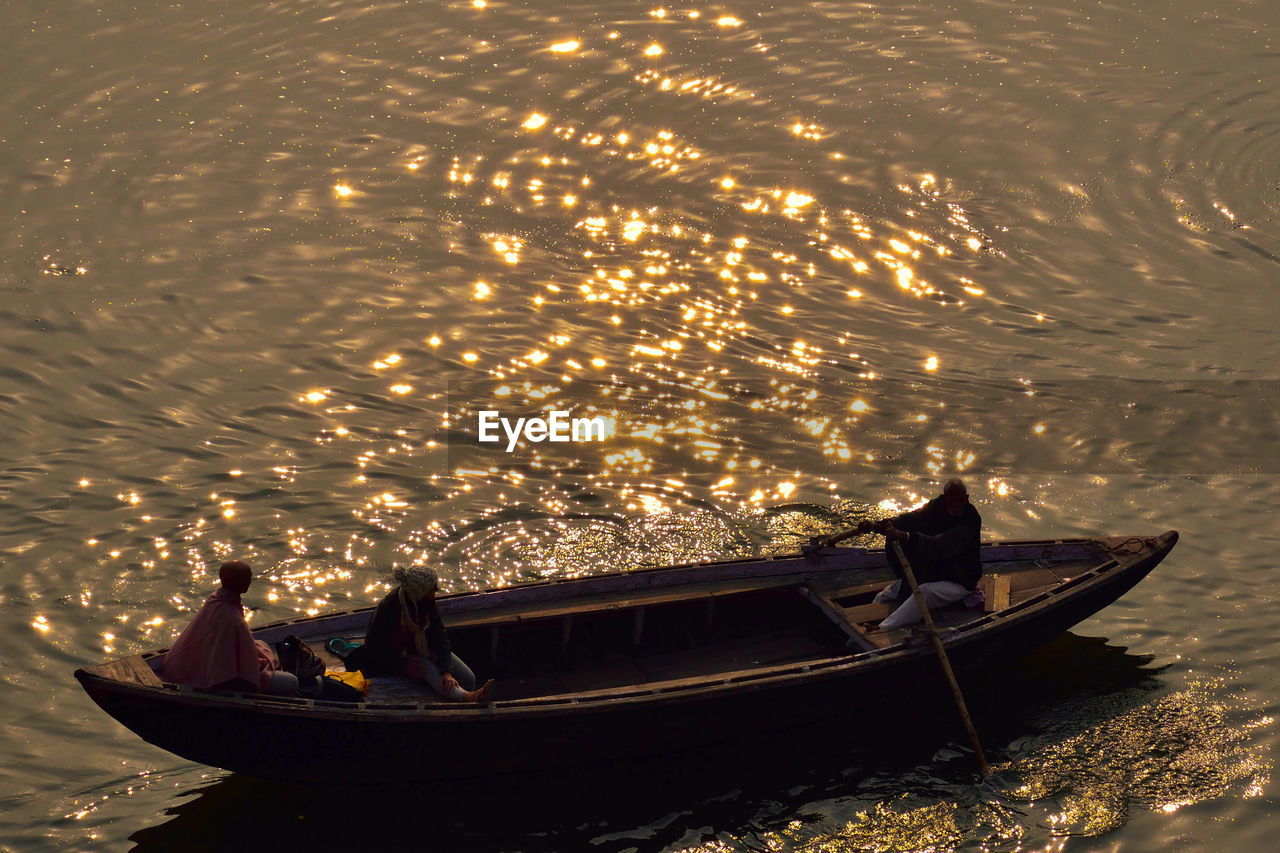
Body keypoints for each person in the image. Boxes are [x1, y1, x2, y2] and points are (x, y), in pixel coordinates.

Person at [821, 478, 982, 630]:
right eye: (952, 501)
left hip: (959, 579)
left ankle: (882, 629)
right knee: (884, 596)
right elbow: (910, 519)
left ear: (966, 498)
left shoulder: (970, 521)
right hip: (934, 573)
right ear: (945, 498)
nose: (956, 505)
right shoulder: (935, 507)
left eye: (960, 501)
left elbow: (939, 545)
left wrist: (906, 537)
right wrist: (882, 525)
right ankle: (861, 628)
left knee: (925, 592)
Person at [349, 566, 493, 703]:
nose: (436, 590)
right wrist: (401, 666)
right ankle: (467, 698)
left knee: (468, 678)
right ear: (421, 591)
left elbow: (440, 636)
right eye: (433, 588)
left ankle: (466, 700)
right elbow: (374, 648)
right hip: (397, 657)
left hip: (423, 649)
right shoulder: (388, 608)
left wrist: (446, 671)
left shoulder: (427, 603)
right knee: (427, 670)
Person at [159, 560, 298, 694]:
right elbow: (240, 669)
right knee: (291, 681)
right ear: (241, 582)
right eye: (246, 578)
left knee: (262, 645)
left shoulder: (215, 599)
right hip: (221, 677)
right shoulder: (233, 620)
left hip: (203, 663)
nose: (249, 581)